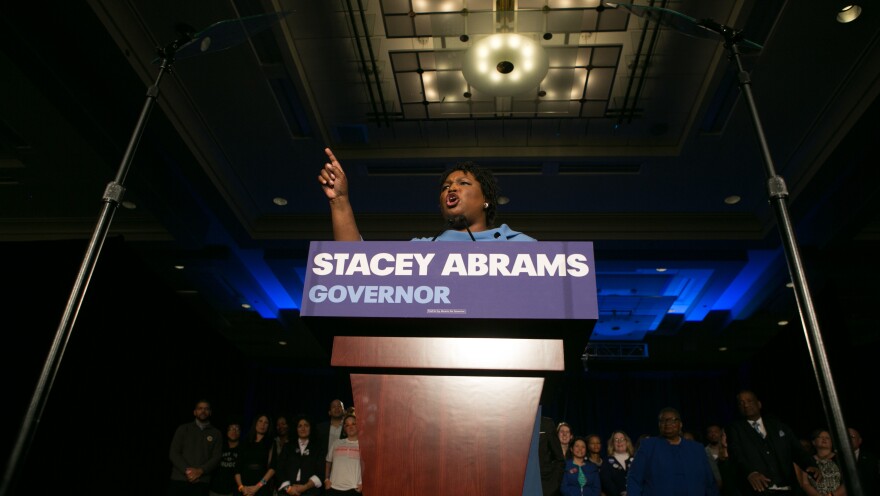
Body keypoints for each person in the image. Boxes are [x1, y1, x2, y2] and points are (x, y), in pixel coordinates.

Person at [317, 147, 535, 242]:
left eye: (464, 183)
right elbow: (354, 266)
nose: (451, 188)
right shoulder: (422, 249)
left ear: (486, 200)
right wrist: (339, 201)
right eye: (446, 186)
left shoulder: (513, 242)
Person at [725, 390, 820, 495]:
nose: (746, 405)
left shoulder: (778, 426)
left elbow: (797, 450)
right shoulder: (735, 429)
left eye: (749, 401)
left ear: (759, 404)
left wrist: (811, 465)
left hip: (789, 489)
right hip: (760, 491)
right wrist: (750, 473)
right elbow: (736, 454)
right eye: (741, 403)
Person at [626, 407, 719, 496]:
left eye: (672, 420)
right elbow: (634, 479)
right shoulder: (648, 446)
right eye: (663, 420)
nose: (667, 423)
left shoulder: (697, 448)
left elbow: (709, 483)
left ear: (680, 424)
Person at [168, 399, 223, 496]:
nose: (203, 411)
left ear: (210, 412)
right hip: (179, 479)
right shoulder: (183, 429)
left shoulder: (216, 433)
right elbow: (174, 453)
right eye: (200, 408)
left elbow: (216, 457)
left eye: (206, 409)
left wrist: (200, 471)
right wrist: (188, 471)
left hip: (202, 481)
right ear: (195, 412)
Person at [274, 414, 323, 496]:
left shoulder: (317, 448)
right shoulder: (288, 447)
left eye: (306, 425)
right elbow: (279, 468)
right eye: (300, 426)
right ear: (296, 429)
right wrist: (288, 488)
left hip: (310, 491)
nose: (303, 428)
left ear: (311, 428)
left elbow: (320, 471)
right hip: (287, 491)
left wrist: (305, 487)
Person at [795, 429, 845, 496]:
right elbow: (805, 483)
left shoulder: (841, 459)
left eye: (827, 438)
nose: (824, 439)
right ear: (814, 442)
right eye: (820, 437)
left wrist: (831, 495)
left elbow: (848, 482)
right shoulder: (808, 460)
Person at [235, 414, 276, 496]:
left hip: (261, 487)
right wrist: (242, 488)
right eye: (260, 421)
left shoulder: (271, 443)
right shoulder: (245, 442)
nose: (262, 424)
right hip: (244, 487)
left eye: (266, 422)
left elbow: (272, 469)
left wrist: (257, 487)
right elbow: (237, 469)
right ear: (255, 423)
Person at [325, 413, 362, 495]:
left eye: (353, 424)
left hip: (354, 489)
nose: (350, 427)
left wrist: (364, 484)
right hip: (333, 488)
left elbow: (370, 467)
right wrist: (326, 479)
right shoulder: (337, 443)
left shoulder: (364, 445)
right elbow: (328, 462)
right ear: (344, 429)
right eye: (347, 425)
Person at [210, 420, 242, 496]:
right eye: (231, 429)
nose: (234, 431)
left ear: (240, 432)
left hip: (233, 491)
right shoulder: (219, 447)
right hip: (214, 489)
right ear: (227, 431)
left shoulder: (243, 449)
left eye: (237, 429)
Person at [600, 430, 635, 496]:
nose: (619, 441)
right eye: (616, 440)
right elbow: (606, 482)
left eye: (622, 439)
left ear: (627, 442)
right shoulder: (607, 461)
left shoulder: (636, 459)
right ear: (612, 443)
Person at [538, 416, 566, 496]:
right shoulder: (514, 421)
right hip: (518, 482)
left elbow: (559, 458)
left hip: (543, 485)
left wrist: (551, 487)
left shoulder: (546, 423)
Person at [848, 427, 879, 495]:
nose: (848, 439)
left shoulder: (871, 459)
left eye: (852, 437)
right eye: (846, 436)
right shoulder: (834, 458)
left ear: (860, 440)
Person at [705, 424, 724, 489]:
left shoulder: (728, 449)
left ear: (721, 432)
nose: (713, 434)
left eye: (716, 432)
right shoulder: (703, 452)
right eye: (710, 432)